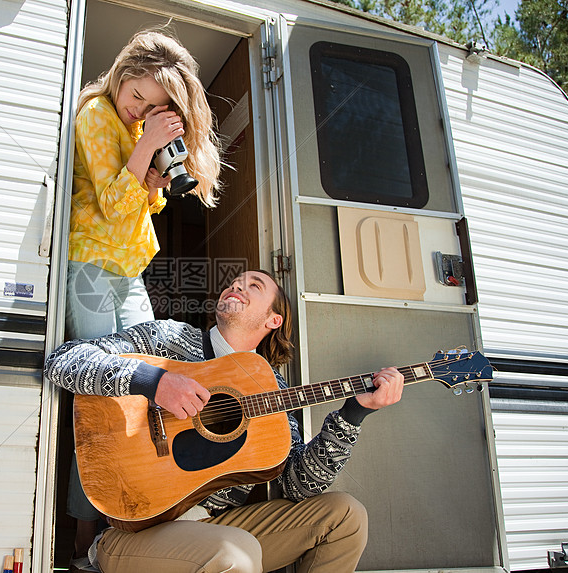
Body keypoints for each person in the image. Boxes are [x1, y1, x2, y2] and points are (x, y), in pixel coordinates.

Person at [45, 270, 405, 573]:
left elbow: (298, 487)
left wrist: (353, 414)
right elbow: (63, 360)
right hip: (135, 532)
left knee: (345, 515)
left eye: (253, 286)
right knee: (236, 553)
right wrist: (154, 382)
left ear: (273, 320)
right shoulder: (169, 340)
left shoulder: (273, 391)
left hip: (217, 525)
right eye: (235, 281)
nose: (236, 286)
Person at [64, 28, 223, 568]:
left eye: (153, 107)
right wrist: (145, 145)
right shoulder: (96, 116)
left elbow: (142, 206)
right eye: (137, 96)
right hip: (90, 265)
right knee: (102, 400)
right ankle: (84, 538)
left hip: (128, 269)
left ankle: (125, 526)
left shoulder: (133, 128)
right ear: (122, 71)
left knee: (141, 393)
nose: (140, 109)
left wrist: (156, 173)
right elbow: (110, 204)